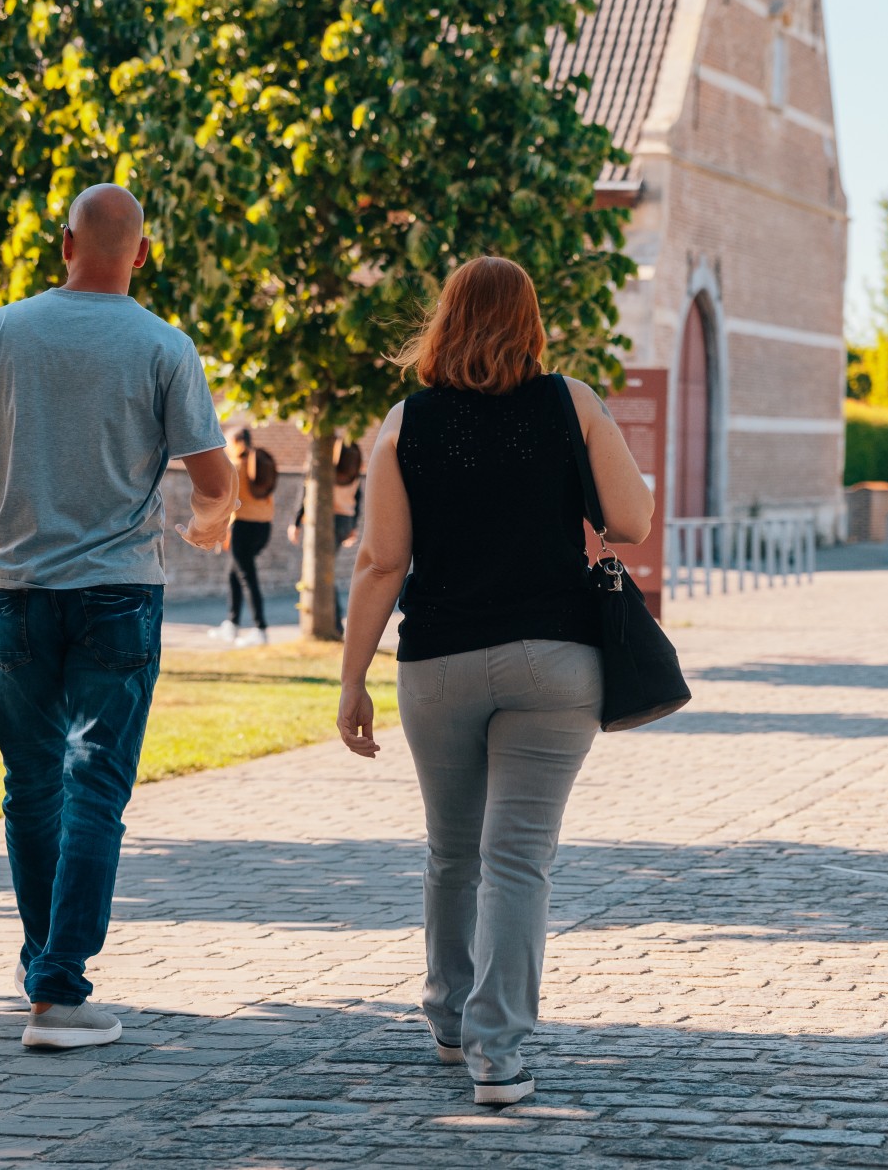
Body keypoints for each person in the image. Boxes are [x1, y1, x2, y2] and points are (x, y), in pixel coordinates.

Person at [333, 257, 654, 1108]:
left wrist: (352, 678)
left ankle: (448, 1018)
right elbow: (633, 520)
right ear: (532, 323)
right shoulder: (571, 402)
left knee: (451, 849)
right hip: (555, 661)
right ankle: (497, 1055)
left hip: (437, 663)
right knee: (517, 857)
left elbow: (381, 562)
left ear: (444, 321)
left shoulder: (404, 422)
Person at [0, 184, 236, 1050]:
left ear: (63, 243)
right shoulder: (164, 346)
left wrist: (2, 546)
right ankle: (58, 990)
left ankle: (45, 971)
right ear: (141, 253)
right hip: (118, 595)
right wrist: (206, 523)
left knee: (31, 787)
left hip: (17, 592)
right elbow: (216, 482)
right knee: (95, 788)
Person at [288, 439, 364, 630]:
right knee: (327, 570)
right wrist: (353, 527)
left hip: (328, 520)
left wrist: (296, 523)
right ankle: (335, 623)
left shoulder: (324, 471)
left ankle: (335, 624)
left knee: (324, 571)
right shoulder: (354, 473)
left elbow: (306, 495)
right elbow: (358, 500)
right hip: (345, 521)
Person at [212, 430, 277, 647]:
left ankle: (260, 629)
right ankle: (232, 624)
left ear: (238, 442)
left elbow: (226, 501)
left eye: (229, 442)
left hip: (243, 527)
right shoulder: (260, 465)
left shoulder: (236, 467)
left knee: (247, 577)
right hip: (264, 526)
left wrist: (221, 529)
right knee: (234, 574)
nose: (227, 447)